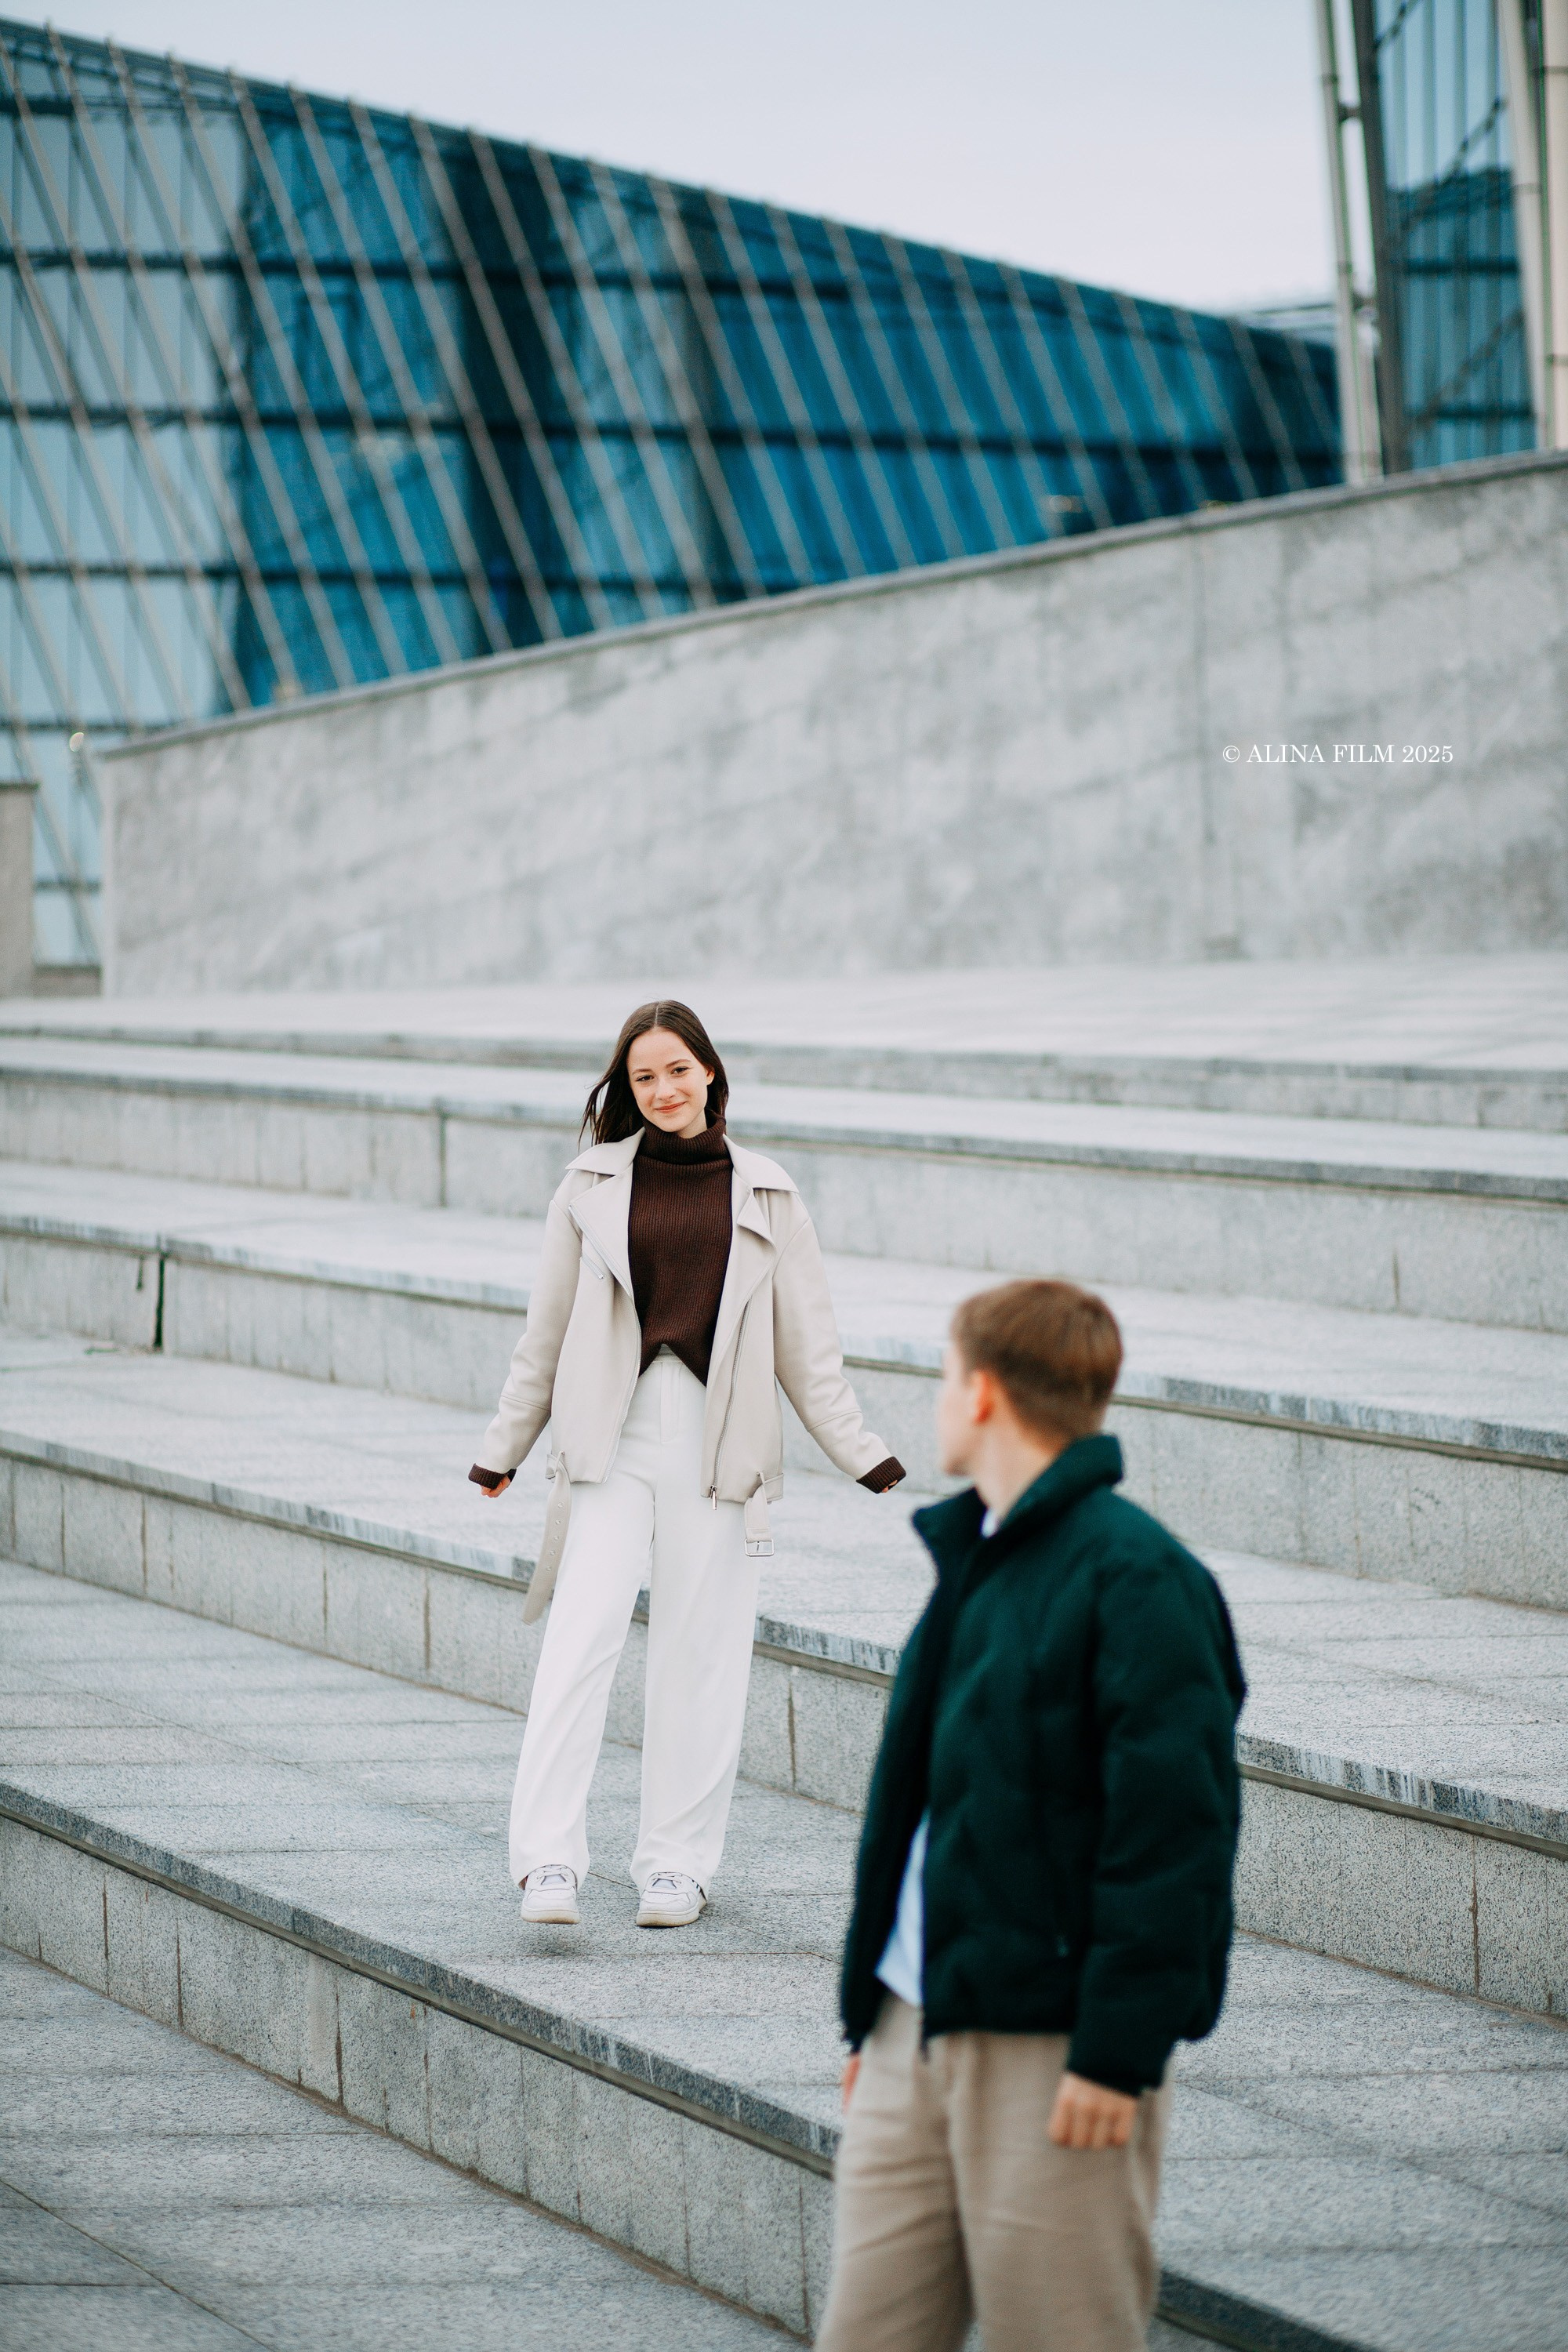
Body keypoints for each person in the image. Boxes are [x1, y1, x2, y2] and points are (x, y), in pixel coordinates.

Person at [819, 1279, 1245, 2352]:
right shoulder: (975, 1557)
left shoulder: (1140, 1579)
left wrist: (1117, 2049)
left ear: (986, 1395)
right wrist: (875, 2003)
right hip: (915, 2025)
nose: (938, 1400)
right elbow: (917, 1808)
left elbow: (1175, 1838)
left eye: (946, 1377)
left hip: (1052, 2050)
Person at [469, 1000, 905, 1930]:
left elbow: (807, 1347)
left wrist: (864, 1455)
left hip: (720, 1442)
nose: (662, 1090)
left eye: (676, 1070)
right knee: (580, 1640)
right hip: (609, 1438)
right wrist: (504, 1446)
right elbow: (543, 1336)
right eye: (642, 1077)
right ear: (624, 1090)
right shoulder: (587, 1184)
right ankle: (547, 1862)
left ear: (709, 1071)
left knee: (699, 1654)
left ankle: (675, 1866)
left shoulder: (768, 1192)